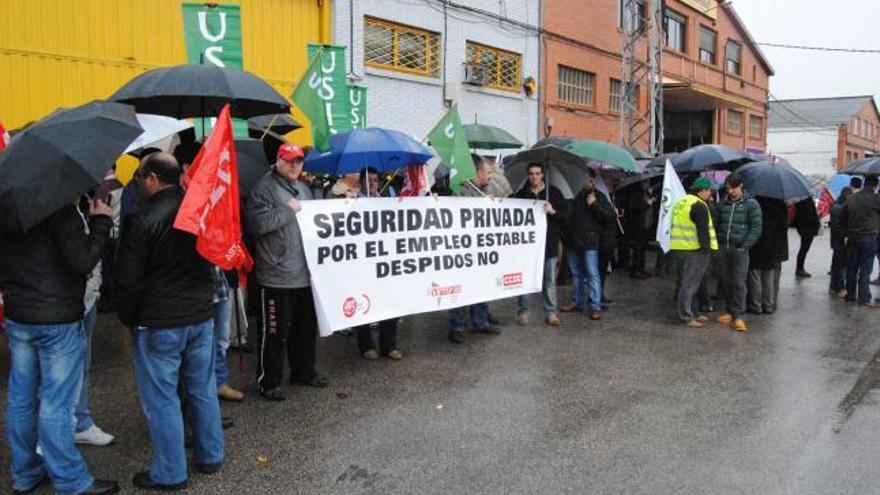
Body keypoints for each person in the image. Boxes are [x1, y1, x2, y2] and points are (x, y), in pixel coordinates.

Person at [116, 152, 223, 490]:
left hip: (159, 321)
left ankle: (170, 472)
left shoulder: (140, 218)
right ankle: (210, 454)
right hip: (199, 316)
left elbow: (128, 280)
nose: (137, 184)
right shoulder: (199, 209)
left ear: (151, 179)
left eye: (138, 178)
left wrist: (129, 316)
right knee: (202, 388)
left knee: (162, 398)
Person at [1, 196, 119, 495]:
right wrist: (101, 222)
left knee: (21, 399)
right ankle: (70, 479)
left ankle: (25, 473)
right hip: (57, 318)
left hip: (18, 314)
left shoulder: (5, 205)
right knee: (57, 403)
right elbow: (82, 262)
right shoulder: (57, 207)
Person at [246, 143, 328, 399]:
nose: (294, 165)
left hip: (304, 274)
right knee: (273, 333)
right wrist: (286, 209)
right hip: (276, 276)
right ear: (278, 160)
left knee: (305, 329)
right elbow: (257, 225)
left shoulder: (304, 188)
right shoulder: (263, 189)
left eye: (299, 161)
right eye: (289, 160)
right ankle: (268, 381)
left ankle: (303, 371)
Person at [447, 155, 503, 343]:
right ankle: (456, 326)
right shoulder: (461, 190)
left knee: (481, 285)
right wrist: (480, 204)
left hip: (482, 249)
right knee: (462, 288)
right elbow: (458, 214)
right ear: (478, 173)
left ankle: (481, 322)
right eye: (487, 173)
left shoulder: (484, 190)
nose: (490, 177)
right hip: (463, 250)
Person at [74, 196, 115, 447]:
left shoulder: (76, 207)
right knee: (62, 377)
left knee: (81, 366)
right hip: (68, 304)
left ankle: (80, 421)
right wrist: (101, 223)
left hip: (85, 298)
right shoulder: (60, 213)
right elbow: (82, 261)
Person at [513, 163, 567, 326]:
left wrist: (553, 211)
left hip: (548, 244)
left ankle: (550, 312)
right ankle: (523, 311)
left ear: (543, 175)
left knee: (549, 280)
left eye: (537, 173)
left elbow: (566, 216)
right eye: (531, 174)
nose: (534, 177)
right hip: (527, 246)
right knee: (525, 279)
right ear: (528, 175)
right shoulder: (521, 194)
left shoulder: (554, 193)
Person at [561, 177, 616, 321]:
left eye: (590, 181)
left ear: (593, 182)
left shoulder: (599, 196)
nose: (587, 183)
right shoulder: (573, 196)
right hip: (573, 240)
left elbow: (610, 216)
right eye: (584, 180)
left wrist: (594, 204)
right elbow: (566, 217)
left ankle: (595, 305)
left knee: (592, 273)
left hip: (590, 241)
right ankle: (577, 302)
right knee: (576, 273)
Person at [713, 174, 762, 332]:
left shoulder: (751, 204)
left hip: (740, 249)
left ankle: (738, 315)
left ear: (741, 186)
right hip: (723, 248)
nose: (731, 191)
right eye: (728, 188)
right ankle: (729, 310)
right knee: (726, 281)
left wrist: (745, 245)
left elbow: (756, 227)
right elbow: (716, 224)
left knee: (739, 282)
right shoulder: (722, 204)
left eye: (733, 187)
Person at [670, 177, 718, 327]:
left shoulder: (681, 202)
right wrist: (707, 251)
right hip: (694, 250)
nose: (710, 193)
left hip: (679, 247)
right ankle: (686, 317)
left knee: (684, 282)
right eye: (709, 190)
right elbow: (703, 231)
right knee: (690, 285)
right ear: (701, 191)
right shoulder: (699, 205)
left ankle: (693, 312)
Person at [842, 175, 880, 307]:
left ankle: (850, 295)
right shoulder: (877, 199)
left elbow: (843, 216)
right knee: (865, 268)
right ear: (876, 185)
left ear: (864, 184)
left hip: (853, 236)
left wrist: (847, 233)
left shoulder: (852, 198)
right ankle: (864, 298)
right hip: (869, 237)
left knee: (851, 267)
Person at [747, 196, 788, 314]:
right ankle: (768, 305)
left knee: (754, 275)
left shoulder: (754, 204)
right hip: (773, 246)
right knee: (768, 276)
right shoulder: (780, 205)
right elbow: (784, 226)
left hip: (757, 244)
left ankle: (756, 305)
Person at [624, 181, 656, 279]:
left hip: (647, 224)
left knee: (642, 248)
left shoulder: (646, 192)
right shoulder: (635, 193)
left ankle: (641, 269)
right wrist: (647, 204)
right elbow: (632, 207)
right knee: (638, 248)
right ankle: (635, 269)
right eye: (646, 182)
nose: (648, 183)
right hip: (639, 225)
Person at [830, 187, 853, 298]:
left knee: (836, 264)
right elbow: (841, 226)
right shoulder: (842, 208)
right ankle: (840, 287)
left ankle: (833, 286)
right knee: (841, 265)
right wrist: (846, 236)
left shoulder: (836, 205)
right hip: (841, 241)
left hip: (836, 240)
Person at [793, 196, 821, 278]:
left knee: (803, 249)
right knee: (804, 249)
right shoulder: (807, 201)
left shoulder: (799, 200)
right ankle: (799, 268)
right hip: (808, 229)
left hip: (803, 228)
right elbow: (811, 215)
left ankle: (799, 268)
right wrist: (817, 222)